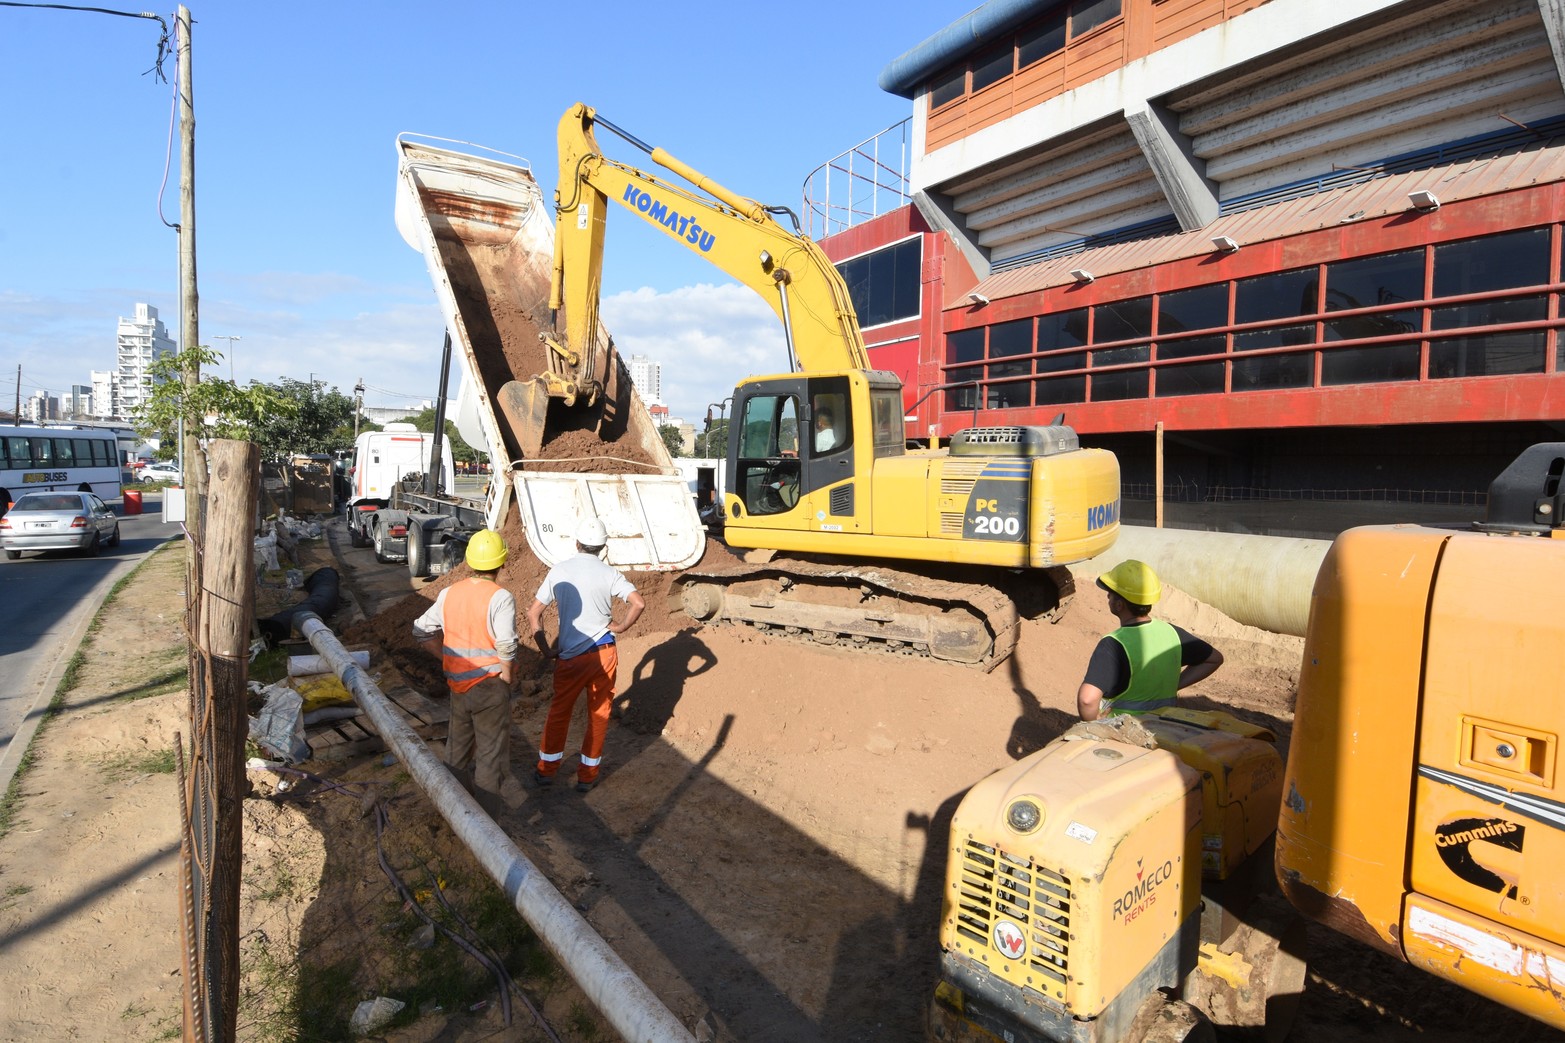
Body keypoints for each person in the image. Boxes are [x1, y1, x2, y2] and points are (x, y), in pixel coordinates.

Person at [528, 517, 646, 793]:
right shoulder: (610, 574)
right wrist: (620, 626)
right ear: (603, 547)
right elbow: (638, 603)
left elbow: (534, 612)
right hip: (604, 653)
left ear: (577, 543)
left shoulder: (559, 571)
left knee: (560, 712)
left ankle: (546, 772)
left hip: (570, 657)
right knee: (599, 714)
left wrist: (546, 649)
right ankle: (587, 776)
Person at [411, 529, 521, 812]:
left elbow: (421, 630)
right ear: (502, 563)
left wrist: (448, 658)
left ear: (470, 562)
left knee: (456, 754)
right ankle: (488, 831)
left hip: (458, 685)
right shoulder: (501, 597)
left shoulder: (449, 593)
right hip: (489, 686)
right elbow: (507, 645)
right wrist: (506, 679)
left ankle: (458, 815)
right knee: (489, 758)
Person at [1076, 559, 1224, 720]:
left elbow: (1087, 700)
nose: (1107, 595)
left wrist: (1094, 726)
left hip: (1122, 733)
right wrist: (1173, 685)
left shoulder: (1113, 644)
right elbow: (1214, 659)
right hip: (1165, 728)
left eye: (1111, 593)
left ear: (1119, 605)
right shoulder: (1172, 632)